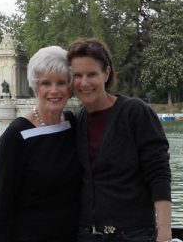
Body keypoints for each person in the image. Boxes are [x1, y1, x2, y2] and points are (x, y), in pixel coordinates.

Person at [67, 38, 172, 242]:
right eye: (77, 75)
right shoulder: (76, 120)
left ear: (106, 73)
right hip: (86, 235)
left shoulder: (135, 112)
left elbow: (159, 173)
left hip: (133, 235)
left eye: (91, 74)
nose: (84, 83)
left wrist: (165, 232)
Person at [0, 46, 81, 242]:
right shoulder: (17, 134)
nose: (54, 91)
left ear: (70, 86)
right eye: (46, 83)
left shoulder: (73, 124)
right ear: (35, 86)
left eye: (61, 83)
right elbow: (3, 205)